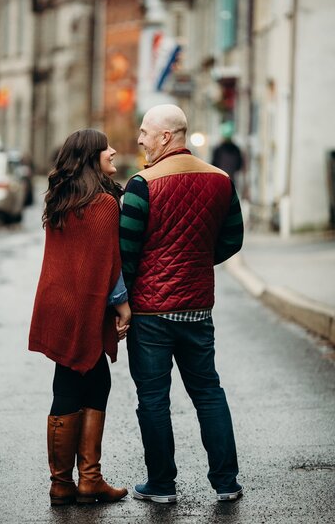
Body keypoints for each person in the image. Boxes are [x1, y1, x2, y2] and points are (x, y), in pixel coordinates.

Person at [119, 104, 244, 504]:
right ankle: (226, 482)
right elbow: (233, 239)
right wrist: (195, 261)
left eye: (144, 132)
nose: (139, 139)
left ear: (166, 137)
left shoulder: (142, 183)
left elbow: (126, 254)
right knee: (208, 391)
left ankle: (161, 486)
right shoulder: (220, 180)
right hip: (197, 309)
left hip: (151, 313)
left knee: (153, 400)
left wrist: (122, 302)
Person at [29, 129, 130, 505]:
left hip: (58, 302)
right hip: (84, 306)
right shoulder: (102, 204)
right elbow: (109, 263)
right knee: (85, 383)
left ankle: (70, 483)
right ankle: (83, 481)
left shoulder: (61, 199)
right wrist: (122, 304)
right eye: (107, 147)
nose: (114, 150)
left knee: (75, 381)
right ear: (92, 156)